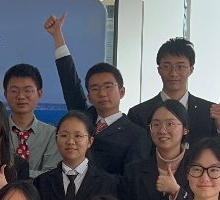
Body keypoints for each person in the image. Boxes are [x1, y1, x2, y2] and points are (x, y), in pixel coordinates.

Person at [44, 13, 149, 175]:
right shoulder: (83, 118)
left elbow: (132, 180)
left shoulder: (136, 135)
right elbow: (69, 81)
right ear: (89, 97)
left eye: (108, 86)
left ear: (121, 91)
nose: (102, 93)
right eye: (95, 88)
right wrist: (57, 35)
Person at [128, 37, 220, 139]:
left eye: (180, 67)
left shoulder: (209, 112)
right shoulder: (138, 114)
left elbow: (219, 146)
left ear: (191, 69)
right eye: (167, 67)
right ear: (159, 69)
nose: (173, 73)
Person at [4, 63, 59, 178]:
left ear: (39, 94)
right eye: (14, 91)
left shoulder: (51, 134)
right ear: (5, 94)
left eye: (27, 90)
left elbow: (51, 175)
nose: (21, 96)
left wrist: (12, 174)